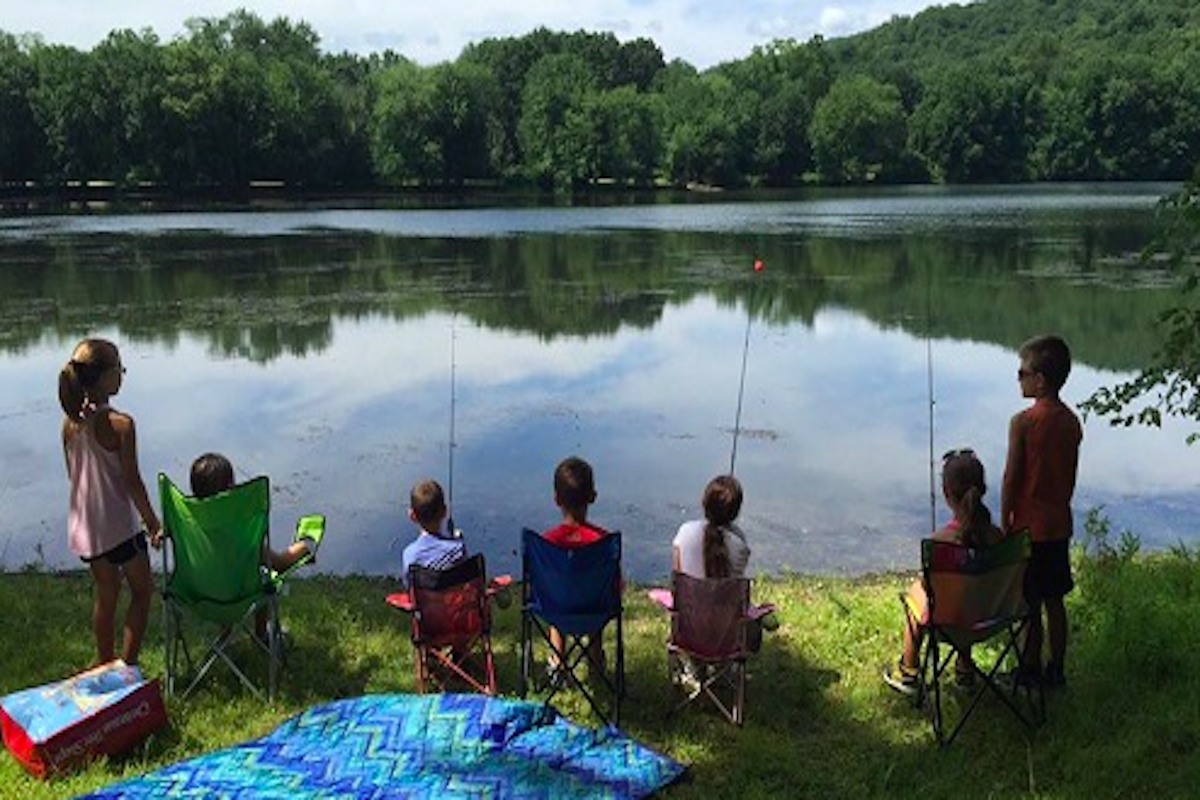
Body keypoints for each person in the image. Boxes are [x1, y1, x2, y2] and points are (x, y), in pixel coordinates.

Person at [60, 338, 161, 666]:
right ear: (104, 377)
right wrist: (153, 523)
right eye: (119, 368)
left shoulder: (70, 425)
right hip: (118, 528)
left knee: (107, 594)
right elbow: (132, 481)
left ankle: (104, 664)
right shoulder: (121, 425)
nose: (122, 374)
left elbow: (73, 477)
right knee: (142, 592)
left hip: (87, 529)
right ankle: (127, 668)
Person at [883, 449, 1005, 696]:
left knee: (916, 594)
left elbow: (928, 588)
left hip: (949, 626)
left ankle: (908, 672)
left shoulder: (940, 543)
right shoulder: (998, 537)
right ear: (982, 489)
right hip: (992, 619)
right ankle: (965, 670)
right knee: (968, 592)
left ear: (946, 493)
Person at [1001, 334, 1082, 689]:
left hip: (1030, 529)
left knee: (1030, 604)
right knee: (1055, 601)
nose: (1018, 379)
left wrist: (1005, 519)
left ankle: (1029, 668)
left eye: (1023, 373)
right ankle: (1057, 670)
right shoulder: (1072, 422)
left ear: (1041, 381)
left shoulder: (1023, 422)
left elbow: (1011, 477)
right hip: (1059, 526)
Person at [542, 456, 611, 677]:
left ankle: (558, 662)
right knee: (596, 594)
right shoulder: (604, 541)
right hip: (595, 612)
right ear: (593, 496)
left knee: (557, 596)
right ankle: (595, 659)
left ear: (556, 499)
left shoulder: (547, 543)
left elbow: (540, 585)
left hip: (558, 611)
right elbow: (614, 585)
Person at [189, 452, 313, 573]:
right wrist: (304, 546)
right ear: (231, 490)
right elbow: (280, 564)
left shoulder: (186, 531)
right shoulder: (241, 536)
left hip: (196, 587)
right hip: (239, 587)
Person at [401, 478, 467, 583]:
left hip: (424, 594)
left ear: (412, 516)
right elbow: (465, 580)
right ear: (444, 512)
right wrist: (458, 540)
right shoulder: (458, 549)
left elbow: (409, 586)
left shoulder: (409, 555)